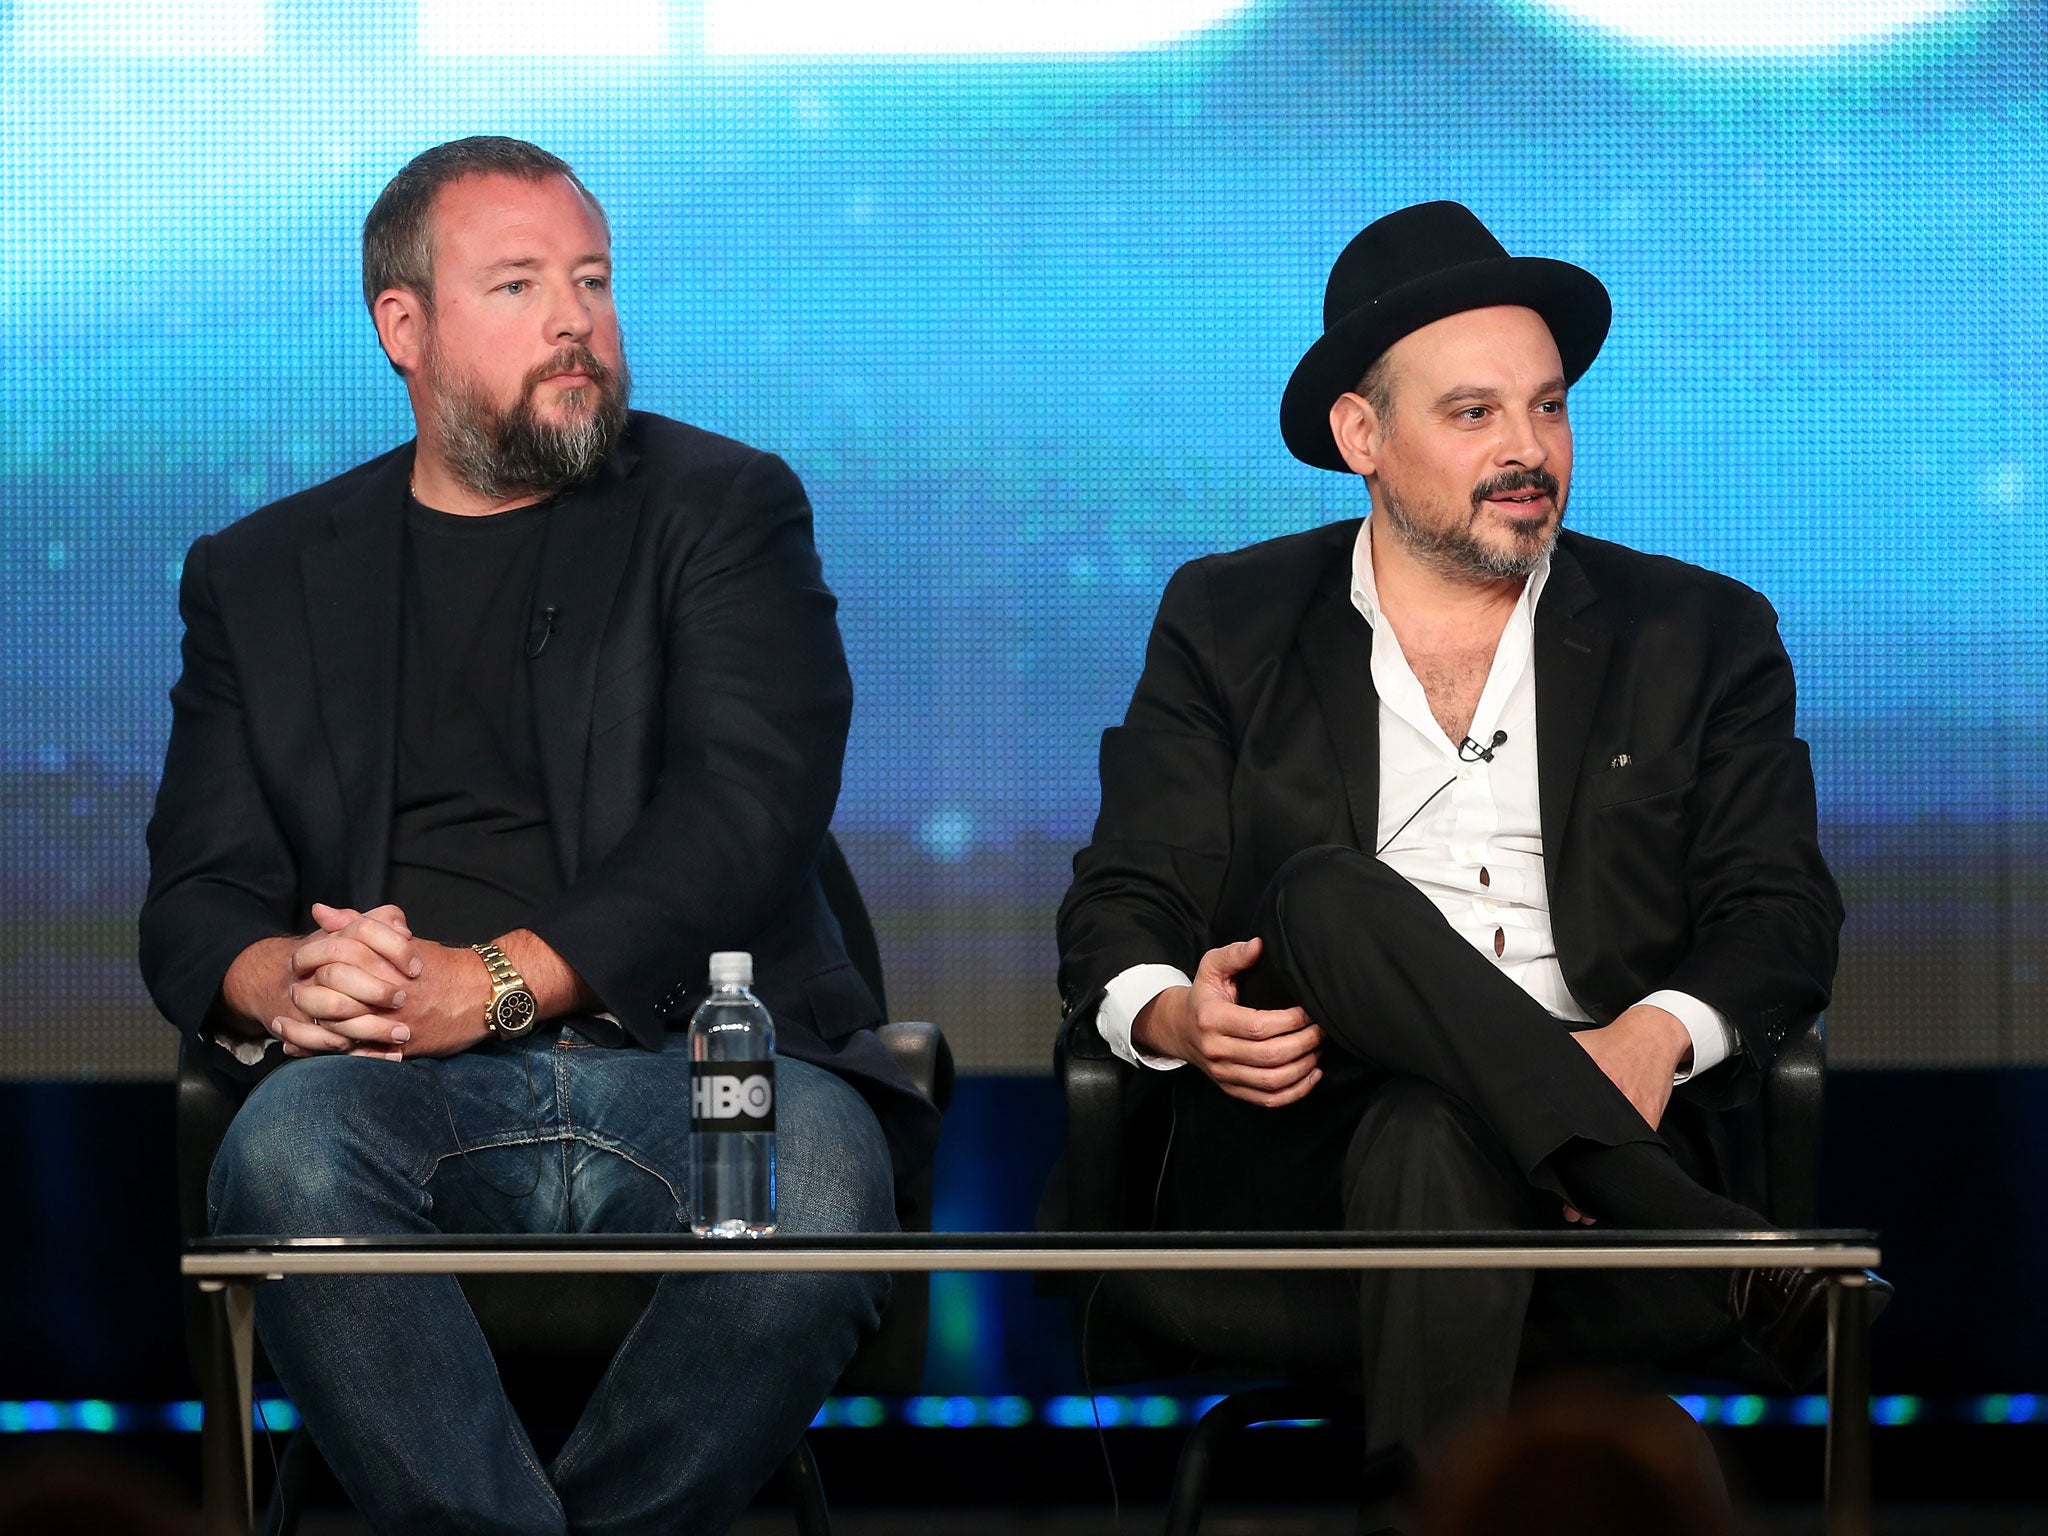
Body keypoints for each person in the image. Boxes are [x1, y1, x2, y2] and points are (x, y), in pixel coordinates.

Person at [140, 136, 937, 1535]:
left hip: (691, 1063)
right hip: (397, 1091)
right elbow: (199, 893)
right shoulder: (259, 575)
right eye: (518, 285)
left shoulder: (726, 508)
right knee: (281, 1158)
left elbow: (750, 814)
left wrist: (491, 980)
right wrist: (286, 981)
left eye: (594, 281)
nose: (575, 319)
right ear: (405, 326)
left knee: (817, 1171)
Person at [1056, 201, 1880, 1527]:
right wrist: (1173, 1017)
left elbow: (1781, 914)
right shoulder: (1227, 619)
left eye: (1548, 411)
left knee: (1431, 1132)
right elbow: (1120, 902)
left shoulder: (1701, 632)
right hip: (1302, 1165)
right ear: (1360, 438)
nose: (1528, 452)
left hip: (1602, 1119)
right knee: (1321, 892)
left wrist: (1655, 1042)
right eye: (1474, 415)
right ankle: (1673, 1217)